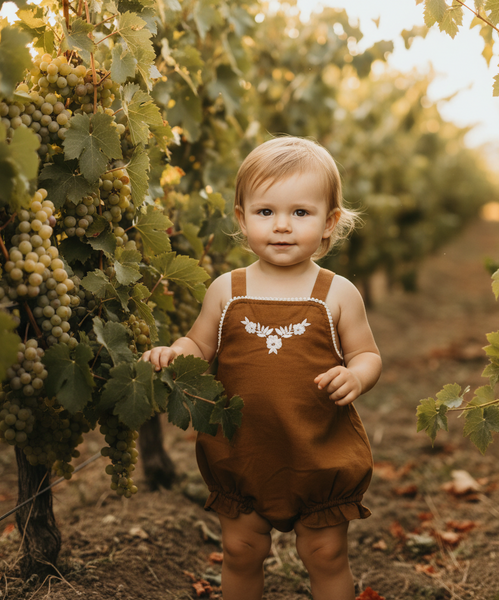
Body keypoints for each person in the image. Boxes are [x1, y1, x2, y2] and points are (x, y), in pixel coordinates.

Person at [142, 136, 382, 600]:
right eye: (266, 212)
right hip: (241, 455)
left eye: (301, 213)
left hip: (318, 455)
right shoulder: (226, 290)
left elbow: (367, 356)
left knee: (326, 554)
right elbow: (199, 342)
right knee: (241, 550)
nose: (282, 227)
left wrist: (355, 376)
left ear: (330, 222)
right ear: (242, 218)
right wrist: (175, 353)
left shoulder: (337, 293)